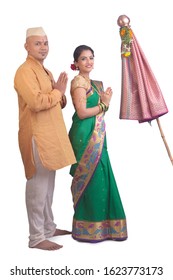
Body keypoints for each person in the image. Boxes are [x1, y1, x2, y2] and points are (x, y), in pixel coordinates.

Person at [14, 27, 76, 250]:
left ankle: (49, 228)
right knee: (38, 186)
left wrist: (60, 93)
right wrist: (58, 92)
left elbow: (58, 102)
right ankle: (36, 237)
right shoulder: (24, 71)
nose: (43, 47)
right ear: (27, 47)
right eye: (38, 43)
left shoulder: (45, 71)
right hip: (37, 136)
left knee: (49, 186)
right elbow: (36, 102)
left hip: (51, 135)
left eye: (46, 43)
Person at [69, 45, 128, 242]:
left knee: (101, 176)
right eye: (84, 59)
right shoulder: (78, 82)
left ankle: (105, 227)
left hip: (98, 135)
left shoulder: (95, 84)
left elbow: (99, 111)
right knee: (91, 178)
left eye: (91, 58)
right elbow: (82, 112)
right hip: (84, 137)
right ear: (76, 63)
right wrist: (104, 104)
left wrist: (104, 103)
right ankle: (87, 226)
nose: (88, 62)